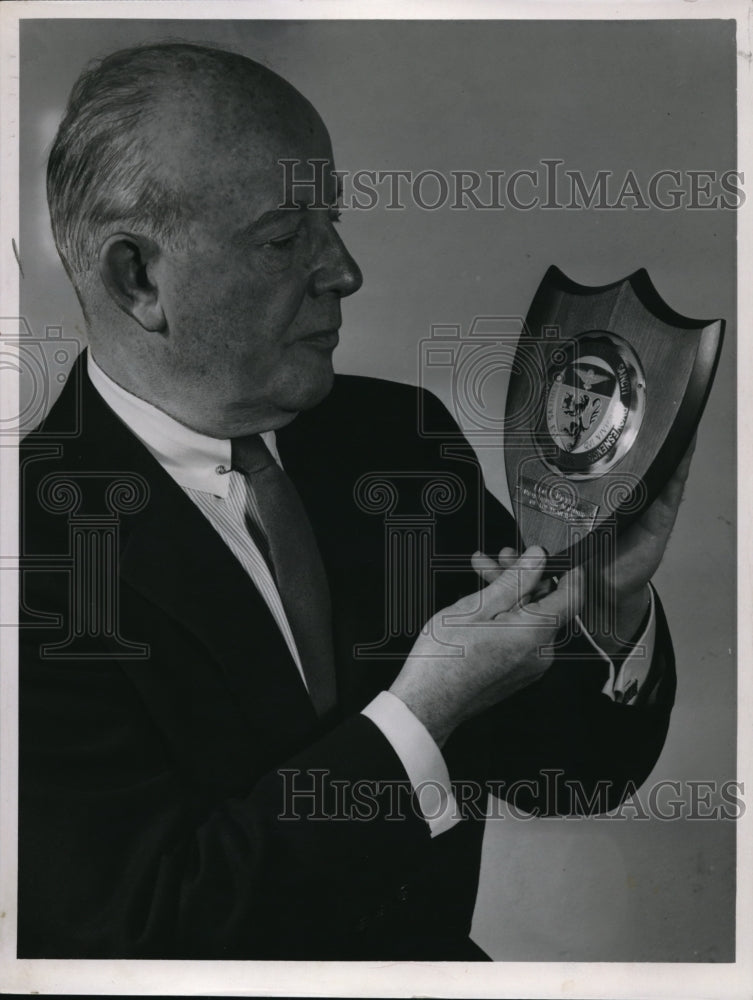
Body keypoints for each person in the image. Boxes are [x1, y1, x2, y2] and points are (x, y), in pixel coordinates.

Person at [19, 41, 686, 961]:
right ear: (137, 278)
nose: (343, 270)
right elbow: (141, 935)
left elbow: (568, 776)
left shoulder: (398, 439)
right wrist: (421, 712)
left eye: (330, 222)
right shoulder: (30, 553)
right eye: (285, 238)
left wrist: (607, 596)